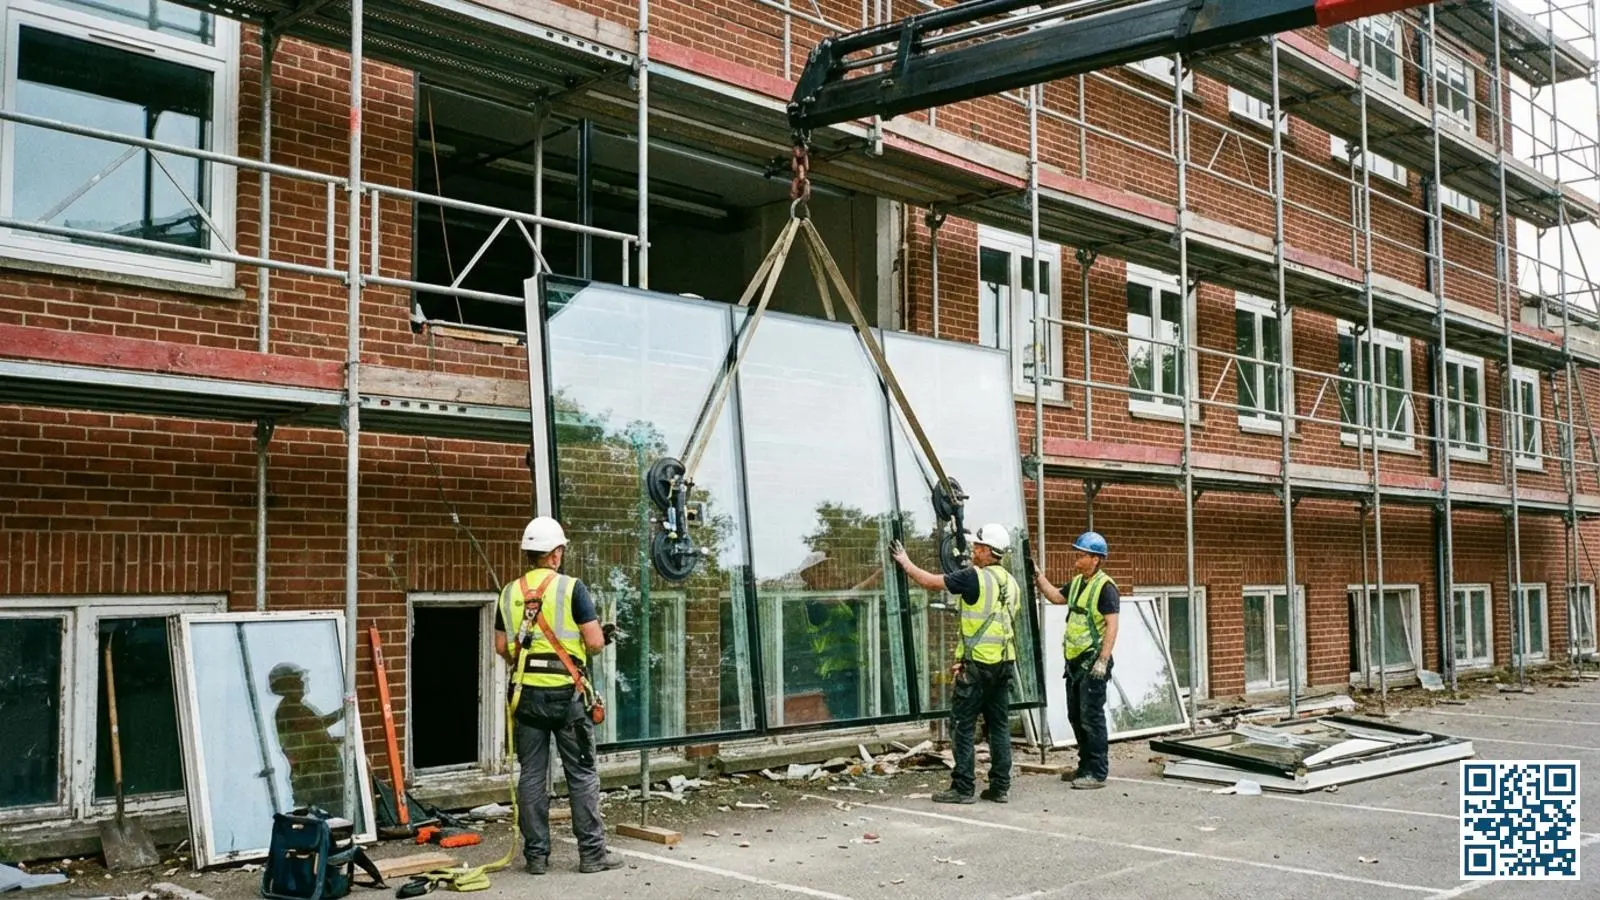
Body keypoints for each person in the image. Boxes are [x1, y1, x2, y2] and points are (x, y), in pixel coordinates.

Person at [494, 516, 623, 876]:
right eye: (561, 550)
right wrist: (592, 642)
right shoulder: (571, 588)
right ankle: (592, 855)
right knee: (581, 774)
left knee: (532, 775)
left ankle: (536, 857)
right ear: (554, 553)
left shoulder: (508, 592)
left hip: (526, 698)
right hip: (568, 698)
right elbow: (595, 642)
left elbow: (501, 646)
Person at [890, 523, 1020, 804]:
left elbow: (929, 581)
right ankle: (1000, 787)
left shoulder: (975, 577)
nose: (973, 550)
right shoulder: (1012, 583)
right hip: (1004, 663)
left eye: (978, 547)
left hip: (978, 667)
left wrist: (905, 561)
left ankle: (963, 788)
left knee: (962, 723)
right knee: (998, 726)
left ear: (988, 551)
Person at [1033, 530, 1120, 790]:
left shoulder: (1105, 587)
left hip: (1092, 662)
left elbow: (1112, 626)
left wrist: (1102, 661)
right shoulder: (1078, 583)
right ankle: (1085, 766)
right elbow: (1057, 597)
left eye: (1081, 555)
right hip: (1074, 663)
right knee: (1075, 715)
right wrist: (1038, 576)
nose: (1076, 559)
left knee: (1091, 717)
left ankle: (1097, 772)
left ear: (1095, 559)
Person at [267, 662, 346, 813]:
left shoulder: (295, 707)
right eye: (299, 679)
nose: (303, 683)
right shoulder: (290, 709)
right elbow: (316, 726)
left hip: (320, 778)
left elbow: (313, 736)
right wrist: (346, 710)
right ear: (288, 684)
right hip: (314, 781)